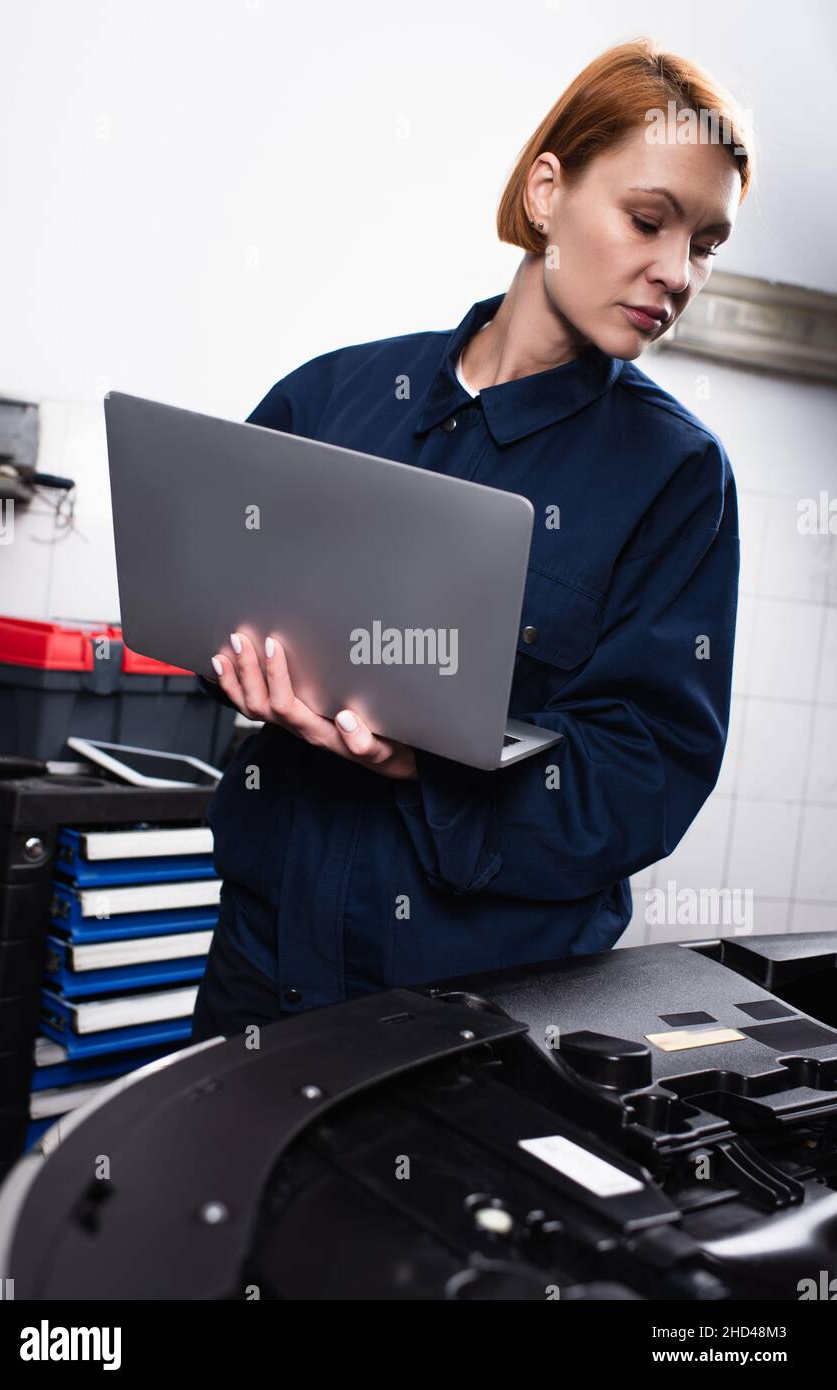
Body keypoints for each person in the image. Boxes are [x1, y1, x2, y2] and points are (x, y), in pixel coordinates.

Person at [190, 36, 752, 1044]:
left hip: (479, 1011)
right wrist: (234, 665)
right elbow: (206, 604)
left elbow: (643, 776)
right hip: (259, 970)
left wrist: (421, 761)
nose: (675, 272)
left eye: (705, 245)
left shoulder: (675, 477)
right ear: (548, 193)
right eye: (647, 219)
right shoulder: (333, 397)